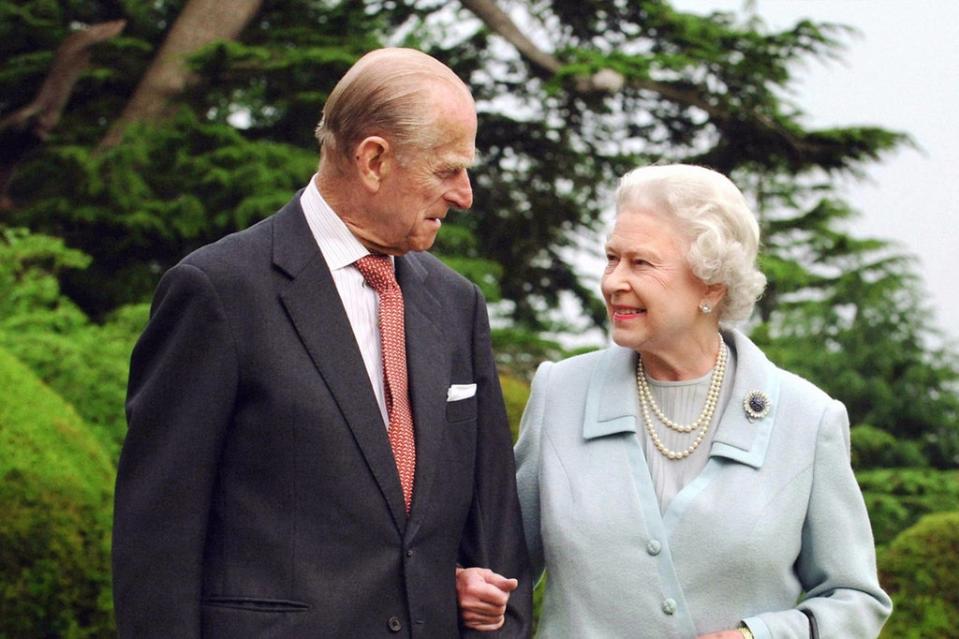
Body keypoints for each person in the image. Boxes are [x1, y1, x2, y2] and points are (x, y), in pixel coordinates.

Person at [113, 47, 531, 638]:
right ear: (374, 160)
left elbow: (495, 530)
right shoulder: (217, 291)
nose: (463, 194)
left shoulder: (457, 304)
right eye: (447, 170)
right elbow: (156, 537)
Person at [458, 164, 891, 638]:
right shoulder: (560, 393)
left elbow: (856, 601)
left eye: (641, 263)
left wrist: (759, 637)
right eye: (611, 258)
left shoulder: (808, 420)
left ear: (711, 284)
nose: (613, 282)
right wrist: (470, 583)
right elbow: (498, 560)